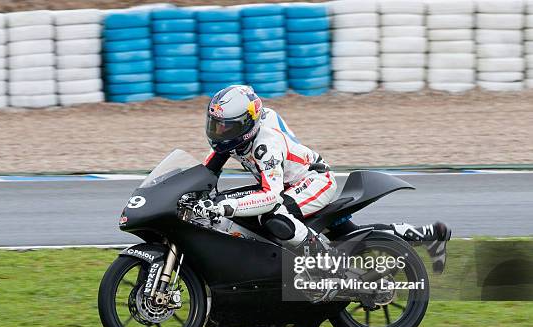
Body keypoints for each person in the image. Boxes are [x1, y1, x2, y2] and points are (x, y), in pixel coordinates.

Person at [192, 85, 451, 273]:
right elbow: (204, 173)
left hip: (313, 181)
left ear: (247, 125)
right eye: (215, 124)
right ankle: (429, 234)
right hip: (288, 182)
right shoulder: (235, 139)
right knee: (347, 235)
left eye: (226, 126)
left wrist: (226, 206)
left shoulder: (265, 145)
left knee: (274, 217)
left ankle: (324, 267)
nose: (219, 132)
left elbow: (270, 196)